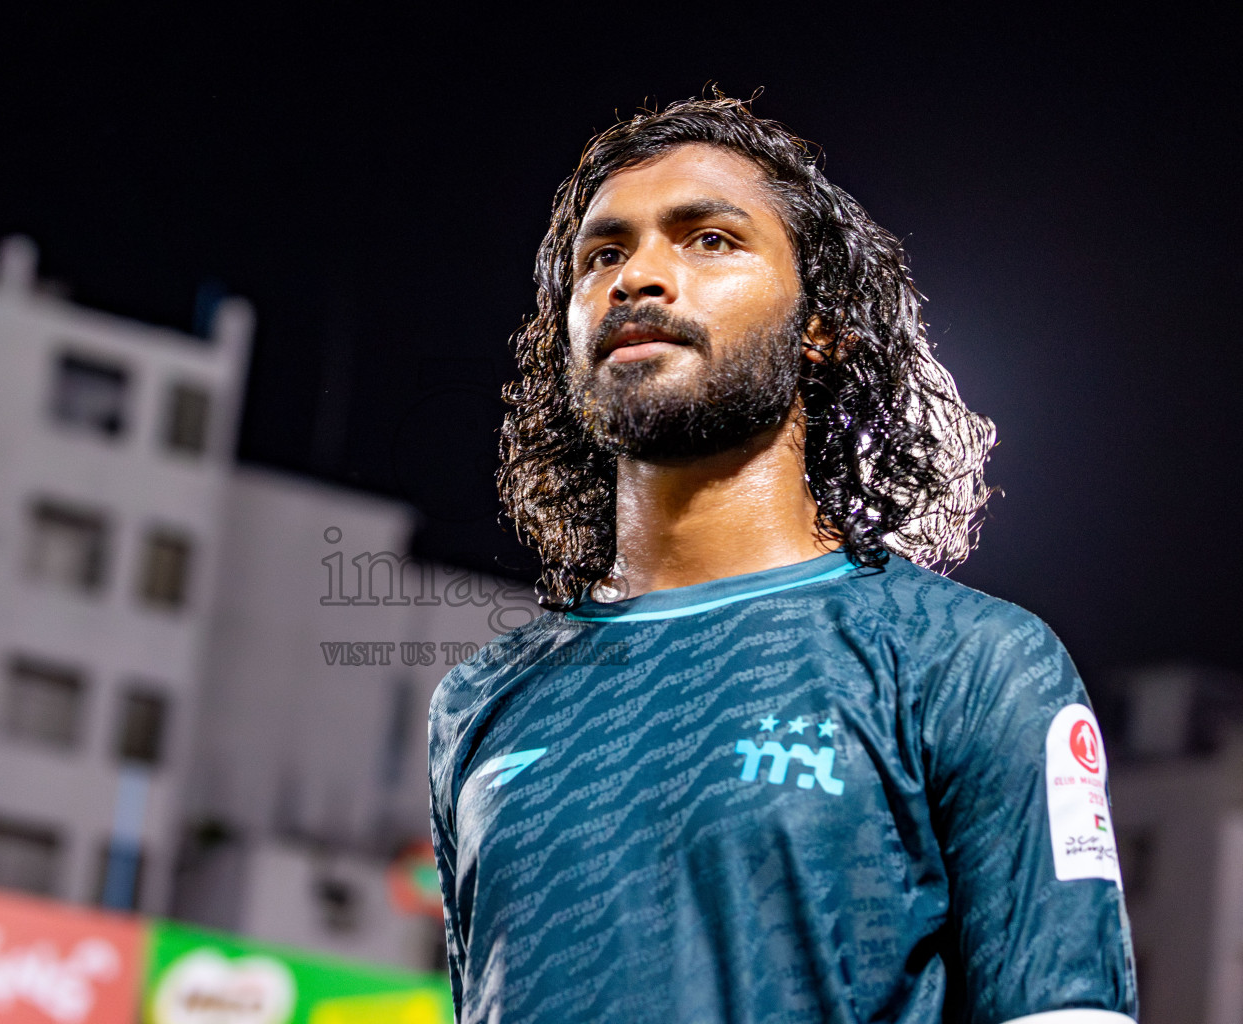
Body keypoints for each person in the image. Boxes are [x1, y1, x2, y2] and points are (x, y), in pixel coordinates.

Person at [428, 94, 1136, 1024]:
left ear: (821, 325)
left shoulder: (971, 664)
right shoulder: (479, 702)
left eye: (709, 240)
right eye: (602, 254)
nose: (638, 276)